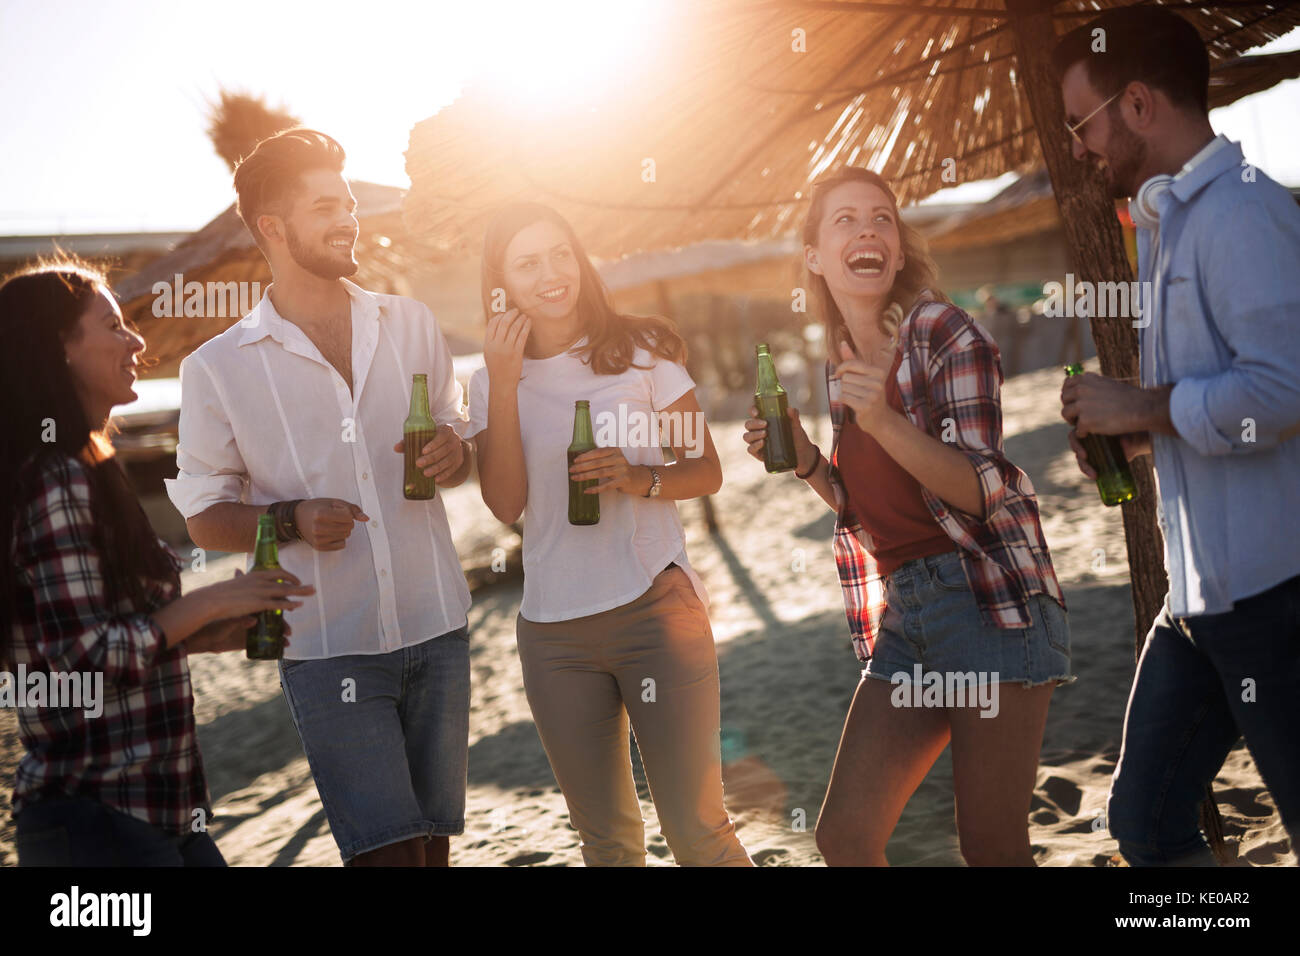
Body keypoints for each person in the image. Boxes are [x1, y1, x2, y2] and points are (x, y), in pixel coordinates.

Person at [744, 166, 1071, 866]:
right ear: (814, 257)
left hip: (987, 600)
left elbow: (982, 492)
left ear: (896, 246)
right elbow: (875, 512)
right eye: (845, 220)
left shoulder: (941, 332)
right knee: (845, 836)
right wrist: (808, 461)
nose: (867, 228)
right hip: (908, 614)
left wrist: (882, 421)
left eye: (882, 218)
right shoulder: (843, 361)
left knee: (990, 846)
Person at [166, 128, 476, 867]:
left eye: (350, 203)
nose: (350, 219)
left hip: (438, 628)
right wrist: (291, 518)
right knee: (385, 856)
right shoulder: (217, 369)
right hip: (330, 652)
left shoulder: (412, 324)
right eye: (327, 206)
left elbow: (465, 449)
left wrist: (456, 454)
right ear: (273, 227)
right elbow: (205, 518)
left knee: (434, 853)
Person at [1055, 6, 1300, 866]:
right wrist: (1140, 436)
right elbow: (1216, 404)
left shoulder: (1243, 215)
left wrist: (1144, 408)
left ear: (1136, 103)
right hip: (1197, 600)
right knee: (1146, 823)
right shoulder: (1169, 224)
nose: (1080, 147)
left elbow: (1284, 390)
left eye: (1082, 123)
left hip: (1275, 595)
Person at [0, 259, 313, 866]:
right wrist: (210, 601)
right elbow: (81, 663)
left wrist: (204, 634)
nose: (136, 340)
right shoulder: (55, 479)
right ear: (59, 349)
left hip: (156, 813)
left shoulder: (81, 467)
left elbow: (90, 640)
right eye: (113, 326)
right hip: (98, 822)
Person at [466, 202, 751, 866]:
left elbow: (704, 469)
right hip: (553, 634)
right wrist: (504, 385)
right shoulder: (490, 381)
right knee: (608, 844)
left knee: (698, 831)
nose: (551, 274)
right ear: (502, 281)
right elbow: (506, 502)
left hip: (655, 610)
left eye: (560, 253)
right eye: (528, 263)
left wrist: (639, 476)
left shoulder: (643, 354)